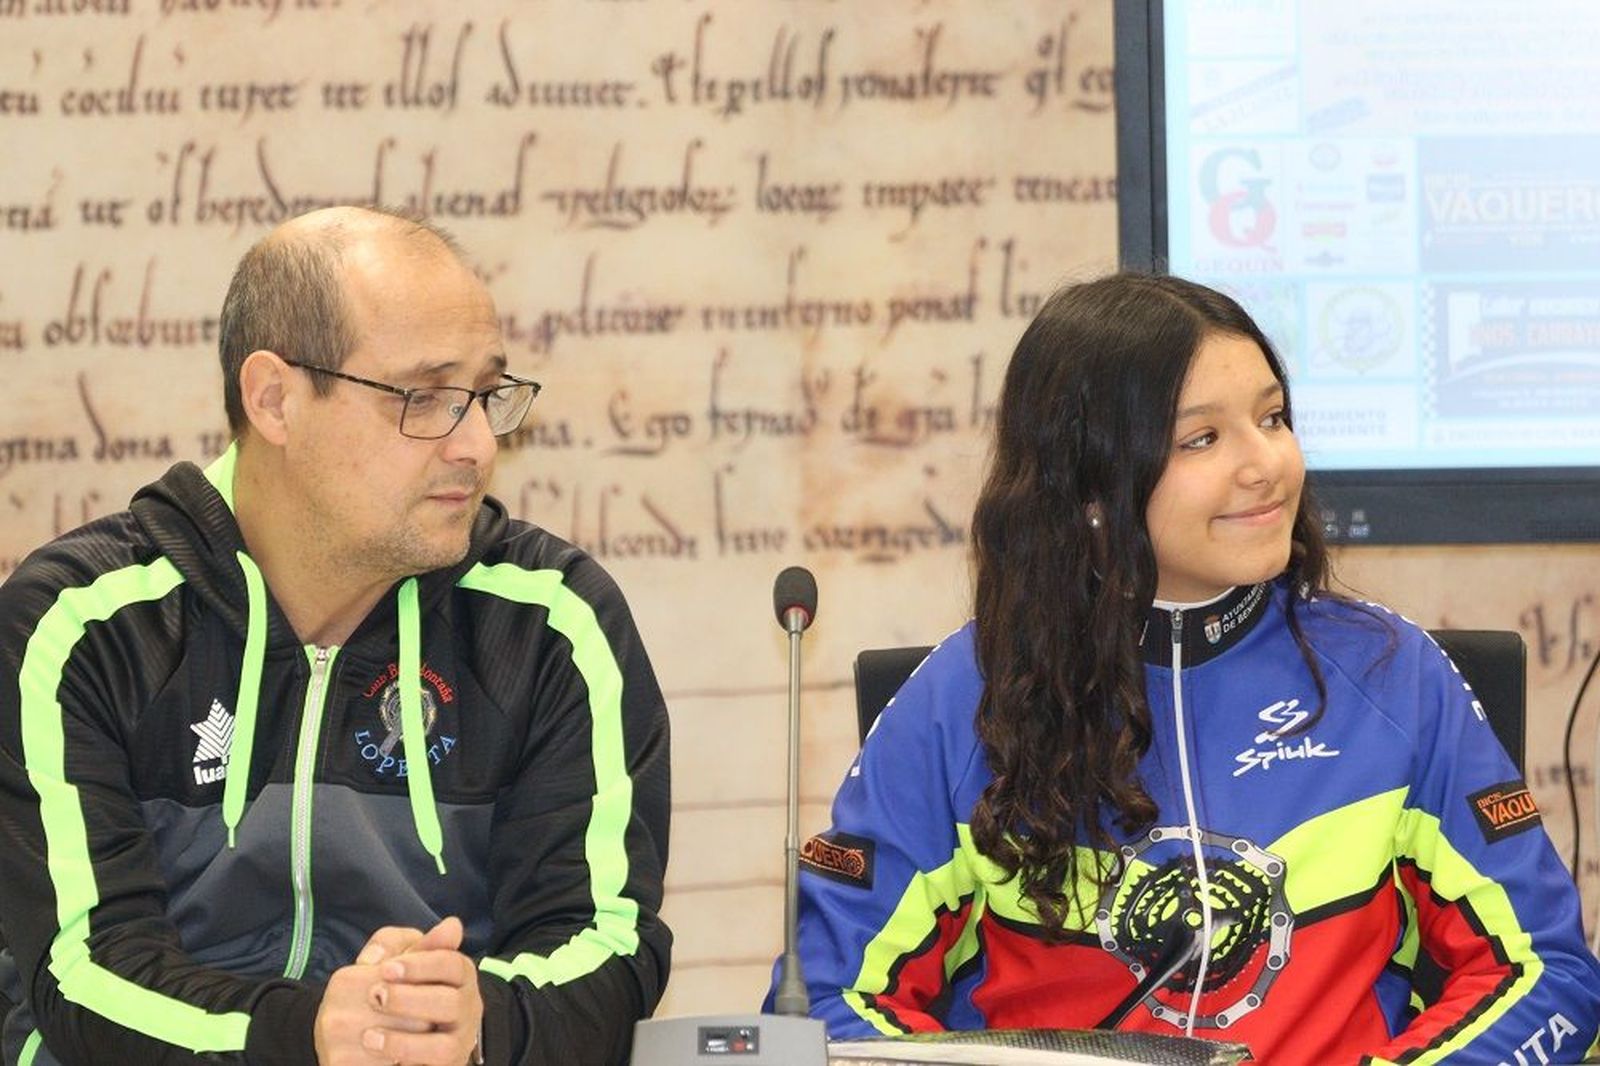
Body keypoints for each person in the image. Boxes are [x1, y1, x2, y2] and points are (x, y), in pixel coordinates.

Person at [776, 273, 1600, 1063]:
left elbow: (1546, 974)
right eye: (1202, 438)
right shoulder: (961, 700)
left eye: (1272, 418)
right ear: (1090, 486)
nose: (1265, 463)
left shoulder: (1393, 676)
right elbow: (825, 1003)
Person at [0, 206, 672, 1065]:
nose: (475, 445)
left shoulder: (549, 623)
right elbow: (84, 971)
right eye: (425, 398)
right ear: (275, 400)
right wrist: (308, 1036)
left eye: (486, 395)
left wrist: (477, 1020)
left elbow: (608, 941)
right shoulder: (80, 625)